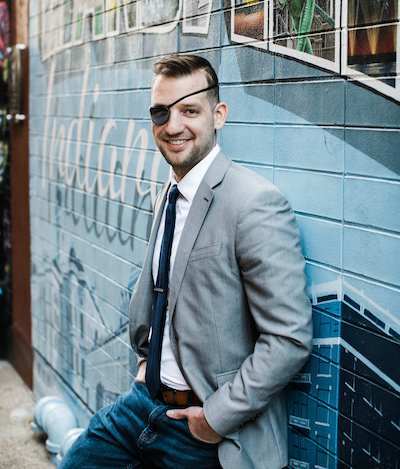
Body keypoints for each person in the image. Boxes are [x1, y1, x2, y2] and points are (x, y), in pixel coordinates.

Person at [60, 54, 313, 469]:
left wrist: (214, 419)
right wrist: (147, 362)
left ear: (219, 115)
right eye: (161, 112)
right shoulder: (171, 193)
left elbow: (289, 338)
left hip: (202, 431)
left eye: (189, 110)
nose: (173, 126)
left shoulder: (254, 203)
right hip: (142, 404)